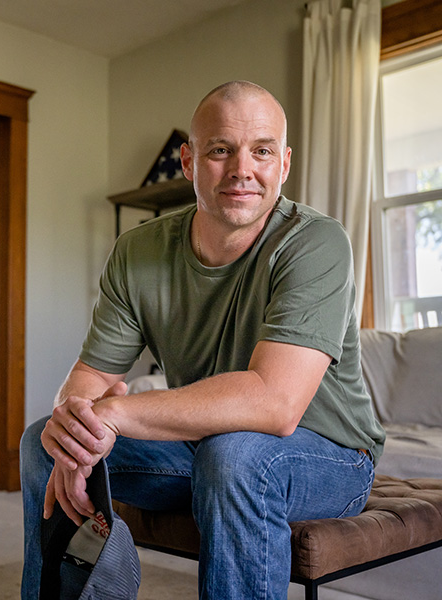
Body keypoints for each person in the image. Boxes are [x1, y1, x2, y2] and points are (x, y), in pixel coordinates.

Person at [20, 80, 385, 600]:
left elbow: (276, 403)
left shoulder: (315, 242)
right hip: (203, 446)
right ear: (189, 162)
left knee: (235, 456)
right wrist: (77, 429)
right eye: (221, 150)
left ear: (283, 165)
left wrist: (118, 414)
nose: (242, 169)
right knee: (44, 442)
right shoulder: (138, 252)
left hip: (331, 457)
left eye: (261, 151)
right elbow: (92, 379)